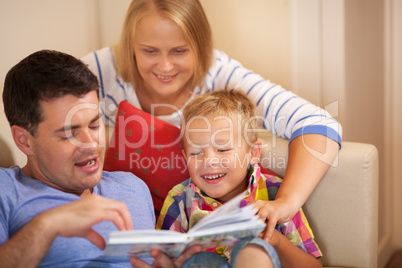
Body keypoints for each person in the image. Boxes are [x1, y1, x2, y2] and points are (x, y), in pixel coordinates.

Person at [81, 0, 342, 242]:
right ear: (130, 47)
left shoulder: (219, 72)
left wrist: (286, 202)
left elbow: (319, 123)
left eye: (179, 51)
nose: (165, 66)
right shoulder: (102, 69)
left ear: (200, 46)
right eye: (149, 51)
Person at [0, 50, 202, 268]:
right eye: (69, 133)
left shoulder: (133, 187)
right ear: (24, 140)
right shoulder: (7, 189)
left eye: (95, 125)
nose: (91, 144)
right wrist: (49, 224)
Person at [153, 90, 322, 268]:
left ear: (253, 153)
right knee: (201, 261)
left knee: (253, 249)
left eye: (223, 149)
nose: (209, 161)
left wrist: (275, 240)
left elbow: (314, 266)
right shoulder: (179, 199)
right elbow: (161, 259)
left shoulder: (278, 194)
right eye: (196, 153)